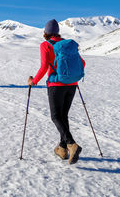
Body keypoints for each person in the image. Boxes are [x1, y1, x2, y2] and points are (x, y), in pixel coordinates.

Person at [28, 19, 86, 164]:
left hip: (56, 84)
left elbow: (43, 67)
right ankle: (62, 148)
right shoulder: (67, 45)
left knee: (55, 116)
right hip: (71, 84)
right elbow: (82, 63)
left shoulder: (45, 45)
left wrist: (33, 81)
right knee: (63, 116)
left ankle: (71, 144)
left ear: (45, 32)